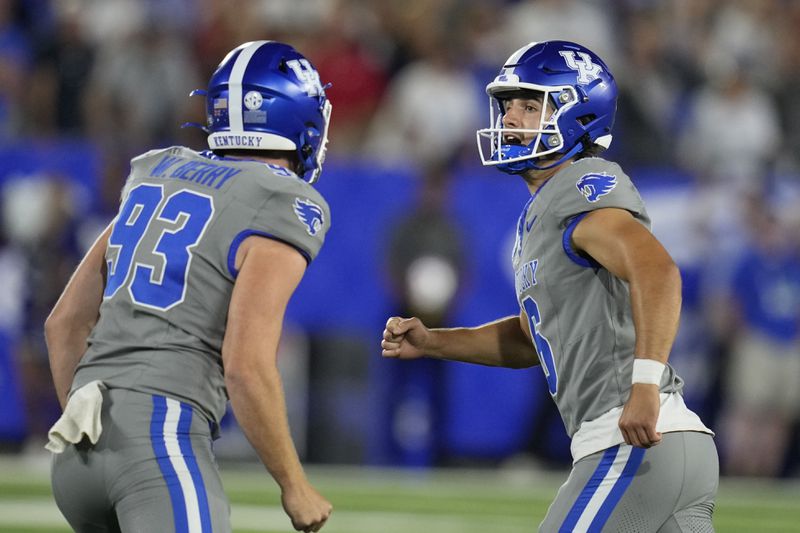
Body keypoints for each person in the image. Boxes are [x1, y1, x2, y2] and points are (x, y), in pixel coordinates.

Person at [382, 40, 718, 532]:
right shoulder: (543, 211)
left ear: (577, 115)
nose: (511, 119)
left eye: (530, 105)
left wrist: (644, 384)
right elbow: (530, 338)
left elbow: (658, 272)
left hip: (633, 442)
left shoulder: (579, 188)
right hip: (672, 447)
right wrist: (435, 341)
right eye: (508, 106)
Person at [44, 40, 333, 533]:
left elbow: (63, 323)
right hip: (160, 436)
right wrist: (294, 484)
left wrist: (86, 414)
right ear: (301, 119)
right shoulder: (283, 199)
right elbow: (245, 365)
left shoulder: (157, 171)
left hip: (78, 447)